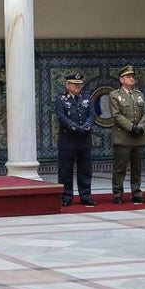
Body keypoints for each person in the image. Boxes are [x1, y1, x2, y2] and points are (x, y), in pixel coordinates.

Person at [108, 65, 145, 204]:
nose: (132, 79)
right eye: (128, 76)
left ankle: (136, 192)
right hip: (123, 136)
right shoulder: (115, 95)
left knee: (137, 168)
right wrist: (131, 127)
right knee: (120, 168)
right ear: (121, 79)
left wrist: (140, 127)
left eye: (133, 76)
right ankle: (118, 193)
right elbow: (116, 115)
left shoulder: (139, 94)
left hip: (138, 136)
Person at [54, 72, 95, 206]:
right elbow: (61, 116)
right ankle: (66, 196)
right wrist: (76, 127)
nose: (78, 86)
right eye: (75, 84)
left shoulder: (87, 97)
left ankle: (86, 196)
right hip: (68, 139)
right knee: (65, 171)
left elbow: (92, 115)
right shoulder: (61, 99)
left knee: (85, 170)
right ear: (68, 85)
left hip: (84, 139)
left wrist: (86, 126)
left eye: (80, 84)